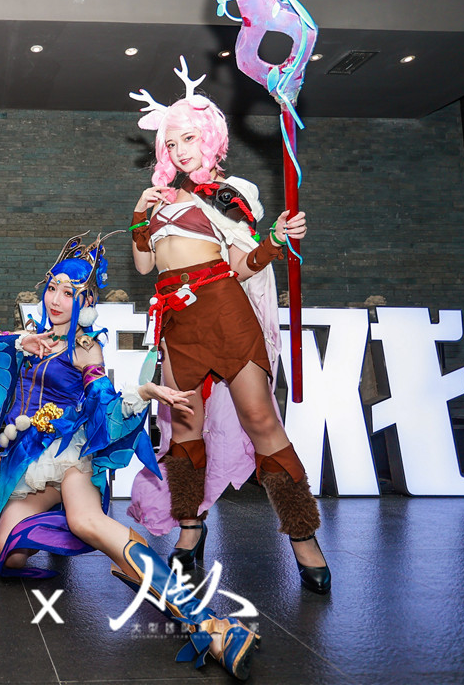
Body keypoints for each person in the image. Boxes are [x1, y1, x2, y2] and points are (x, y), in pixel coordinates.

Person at [0, 234, 258, 680]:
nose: (56, 300)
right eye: (52, 288)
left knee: (86, 522)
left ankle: (210, 625)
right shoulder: (28, 336)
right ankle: (95, 535)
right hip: (27, 465)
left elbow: (103, 401)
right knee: (8, 554)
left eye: (69, 293)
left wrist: (141, 393)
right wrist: (18, 342)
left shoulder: (85, 347)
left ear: (87, 301)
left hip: (71, 453)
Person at [125, 57, 329, 595]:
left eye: (189, 138)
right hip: (177, 322)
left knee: (261, 420)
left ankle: (303, 535)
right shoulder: (161, 200)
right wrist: (139, 216)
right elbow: (145, 266)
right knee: (183, 430)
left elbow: (241, 264)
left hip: (223, 311)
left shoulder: (229, 192)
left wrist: (275, 241)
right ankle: (191, 529)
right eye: (171, 143)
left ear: (210, 137)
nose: (179, 151)